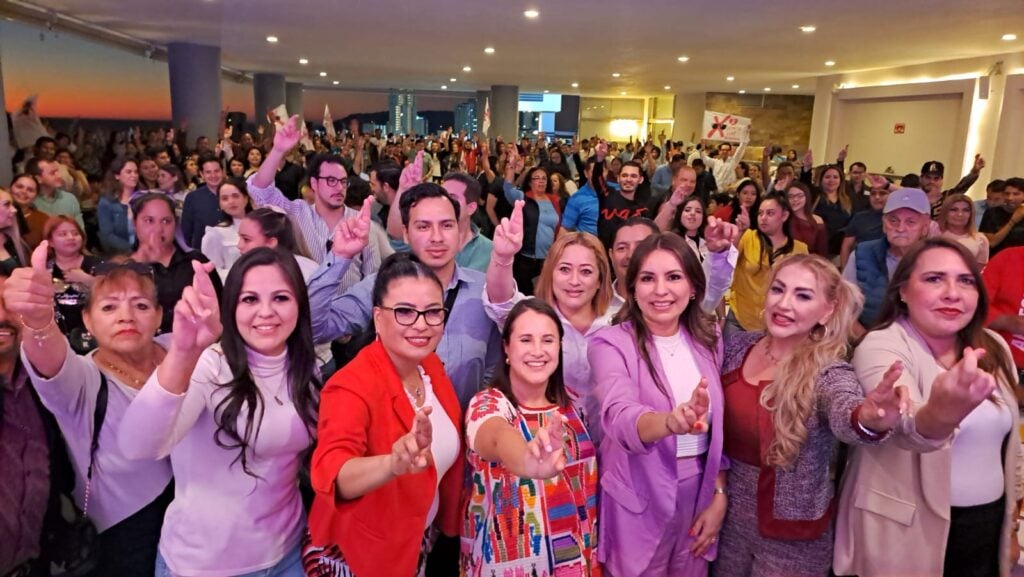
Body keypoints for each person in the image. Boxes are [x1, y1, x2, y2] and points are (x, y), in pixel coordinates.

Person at [119, 248, 320, 577]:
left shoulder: (305, 367)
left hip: (289, 552)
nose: (266, 312)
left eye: (281, 298)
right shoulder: (210, 365)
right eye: (250, 299)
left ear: (299, 304)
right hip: (207, 564)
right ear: (231, 306)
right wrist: (185, 351)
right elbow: (137, 445)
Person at [834, 237, 1021, 577]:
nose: (952, 292)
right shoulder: (881, 345)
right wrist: (942, 413)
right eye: (934, 279)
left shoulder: (992, 346)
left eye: (965, 280)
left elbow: (1010, 446)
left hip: (986, 525)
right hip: (904, 530)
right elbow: (907, 425)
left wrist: (1010, 526)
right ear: (903, 290)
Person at [713, 254, 906, 577]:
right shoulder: (737, 348)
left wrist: (869, 418)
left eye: (803, 296)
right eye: (778, 290)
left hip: (792, 539)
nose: (784, 304)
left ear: (827, 310)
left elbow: (846, 409)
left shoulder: (827, 370)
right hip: (726, 519)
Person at [6, 246, 174, 577]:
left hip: (189, 519)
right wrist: (39, 321)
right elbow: (51, 359)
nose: (126, 316)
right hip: (121, 530)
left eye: (140, 305)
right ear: (87, 319)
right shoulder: (82, 377)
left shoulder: (177, 351)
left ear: (157, 316)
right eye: (109, 307)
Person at [305, 253, 464, 577]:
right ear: (378, 317)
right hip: (358, 555)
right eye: (404, 311)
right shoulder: (351, 386)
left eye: (433, 312)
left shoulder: (429, 366)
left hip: (414, 540)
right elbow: (333, 472)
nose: (421, 324)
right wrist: (391, 464)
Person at [590, 232, 727, 576]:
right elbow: (619, 416)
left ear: (694, 287)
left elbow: (719, 432)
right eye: (648, 278)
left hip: (699, 494)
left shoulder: (709, 339)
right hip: (638, 495)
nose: (660, 290)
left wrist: (719, 493)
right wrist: (669, 422)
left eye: (674, 277)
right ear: (632, 288)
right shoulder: (609, 343)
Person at [307, 184, 501, 409]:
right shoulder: (381, 285)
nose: (436, 237)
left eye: (446, 225)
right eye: (423, 227)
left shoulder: (485, 291)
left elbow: (492, 366)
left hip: (460, 430)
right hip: (392, 434)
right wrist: (340, 257)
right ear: (406, 234)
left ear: (459, 231)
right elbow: (314, 328)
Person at [461, 299, 599, 576]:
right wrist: (526, 459)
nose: (538, 351)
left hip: (576, 564)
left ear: (559, 347)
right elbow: (497, 435)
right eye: (525, 340)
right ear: (507, 349)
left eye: (547, 340)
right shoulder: (488, 404)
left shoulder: (574, 407)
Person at [485, 202, 615, 443]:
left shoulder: (617, 323)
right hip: (538, 444)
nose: (574, 281)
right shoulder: (532, 316)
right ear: (550, 273)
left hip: (605, 446)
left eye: (586, 272)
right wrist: (502, 257)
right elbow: (500, 301)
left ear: (600, 279)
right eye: (564, 269)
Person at [249, 115, 390, 286]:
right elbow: (260, 191)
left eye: (343, 181)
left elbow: (371, 280)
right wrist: (277, 151)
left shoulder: (360, 223)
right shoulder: (298, 212)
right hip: (307, 307)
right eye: (331, 181)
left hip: (349, 309)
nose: (339, 188)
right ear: (314, 183)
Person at [130, 193, 223, 333]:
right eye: (149, 221)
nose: (158, 229)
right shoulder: (126, 271)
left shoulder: (196, 262)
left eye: (166, 221)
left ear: (176, 223)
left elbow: (221, 308)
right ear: (134, 224)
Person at [843, 188, 932, 333]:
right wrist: (867, 342)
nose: (900, 228)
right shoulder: (862, 253)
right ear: (884, 224)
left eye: (910, 222)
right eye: (893, 220)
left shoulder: (938, 260)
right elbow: (844, 308)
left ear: (925, 227)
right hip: (865, 338)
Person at [727, 193, 808, 335]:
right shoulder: (748, 237)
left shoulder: (799, 249)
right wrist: (740, 231)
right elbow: (726, 259)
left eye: (770, 213)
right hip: (740, 319)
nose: (763, 218)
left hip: (778, 322)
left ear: (784, 216)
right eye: (760, 213)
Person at [502, 159, 560, 295]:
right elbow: (508, 188)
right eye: (537, 178)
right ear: (530, 182)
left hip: (548, 259)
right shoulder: (523, 198)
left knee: (545, 296)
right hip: (527, 259)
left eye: (544, 178)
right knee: (525, 297)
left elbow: (560, 227)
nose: (541, 181)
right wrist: (511, 167)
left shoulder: (555, 201)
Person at [44, 216, 102, 353]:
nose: (71, 237)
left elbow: (114, 292)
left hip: (96, 331)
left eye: (75, 233)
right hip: (59, 335)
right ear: (50, 241)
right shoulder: (44, 269)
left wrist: (88, 280)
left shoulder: (96, 264)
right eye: (63, 234)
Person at [238, 207, 318, 279]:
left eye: (246, 239)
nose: (239, 245)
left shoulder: (305, 271)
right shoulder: (245, 271)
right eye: (239, 238)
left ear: (271, 243)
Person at [201, 177, 252, 280]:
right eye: (225, 198)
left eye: (235, 196)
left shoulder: (263, 225)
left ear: (246, 198)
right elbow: (213, 272)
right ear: (220, 204)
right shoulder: (215, 234)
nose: (231, 201)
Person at [181, 154, 225, 251]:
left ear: (222, 171)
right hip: (203, 254)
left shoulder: (233, 193)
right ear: (201, 174)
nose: (213, 175)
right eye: (208, 172)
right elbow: (187, 231)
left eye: (216, 171)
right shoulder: (192, 198)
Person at [97, 158, 138, 254]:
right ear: (117, 175)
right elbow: (107, 235)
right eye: (129, 172)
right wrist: (131, 251)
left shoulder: (143, 198)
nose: (134, 175)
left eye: (136, 172)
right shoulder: (107, 202)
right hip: (121, 254)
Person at [938, 193, 989, 264]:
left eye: (965, 210)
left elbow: (977, 270)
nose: (960, 214)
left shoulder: (980, 239)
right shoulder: (934, 233)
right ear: (945, 212)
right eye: (954, 210)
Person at [981, 176, 1024, 256]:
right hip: (997, 259)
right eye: (1007, 194)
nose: (1010, 198)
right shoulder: (992, 213)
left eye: (1016, 194)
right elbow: (991, 242)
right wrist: (1012, 221)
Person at [785, 181, 828, 256]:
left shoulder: (817, 220)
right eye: (791, 196)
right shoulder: (783, 219)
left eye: (799, 196)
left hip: (810, 263)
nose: (795, 199)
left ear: (806, 197)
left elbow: (822, 251)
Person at [9, 173, 50, 248]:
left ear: (36, 196)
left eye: (30, 190)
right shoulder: (2, 215)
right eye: (19, 187)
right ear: (10, 188)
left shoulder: (43, 220)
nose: (24, 191)